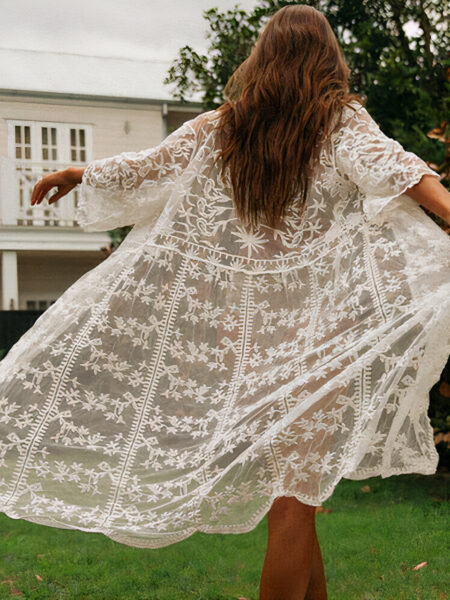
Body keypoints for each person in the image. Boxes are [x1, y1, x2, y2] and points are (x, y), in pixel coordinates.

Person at [1, 5, 450, 599]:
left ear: (262, 57)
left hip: (252, 349)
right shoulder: (338, 122)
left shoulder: (223, 127)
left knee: (296, 499)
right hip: (319, 345)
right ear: (327, 59)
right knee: (293, 504)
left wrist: (81, 172)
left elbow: (144, 169)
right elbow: (405, 176)